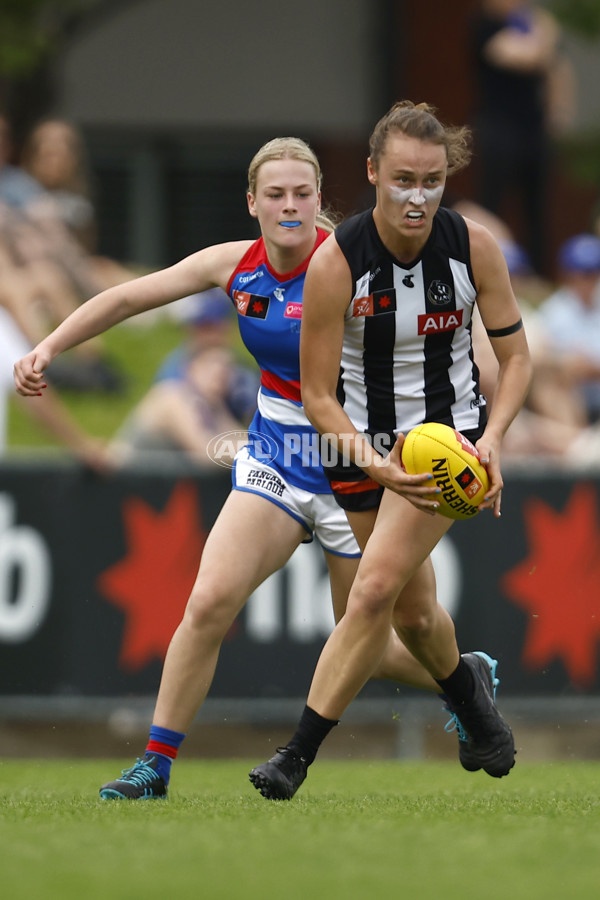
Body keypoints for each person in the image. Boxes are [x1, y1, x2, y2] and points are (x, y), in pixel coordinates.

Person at [14, 136, 475, 801]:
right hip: (278, 457)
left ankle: (461, 681)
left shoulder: (355, 262)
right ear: (253, 202)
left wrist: (481, 435)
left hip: (358, 465)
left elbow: (461, 337)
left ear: (321, 200)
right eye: (276, 194)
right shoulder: (235, 265)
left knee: (373, 644)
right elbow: (128, 299)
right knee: (207, 602)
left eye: (303, 193)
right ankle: (155, 766)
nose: (290, 205)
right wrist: (49, 346)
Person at [248, 101, 532, 801]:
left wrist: (491, 441)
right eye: (403, 178)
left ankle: (296, 756)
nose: (417, 196)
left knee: (371, 592)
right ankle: (472, 699)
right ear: (373, 172)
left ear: (447, 178)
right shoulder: (337, 261)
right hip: (359, 447)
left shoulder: (474, 247)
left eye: (432, 180)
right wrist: (374, 465)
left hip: (443, 445)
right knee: (412, 612)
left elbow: (518, 357)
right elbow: (317, 395)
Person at [469, 0, 576, 274]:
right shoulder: (485, 26)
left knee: (537, 207)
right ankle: (485, 271)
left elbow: (556, 67)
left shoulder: (528, 25)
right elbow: (528, 57)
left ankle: (539, 275)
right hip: (497, 127)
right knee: (492, 204)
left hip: (533, 128)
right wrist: (546, 33)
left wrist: (559, 109)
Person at [110, 344, 245, 467]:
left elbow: (240, 437)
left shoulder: (213, 404)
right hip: (117, 481)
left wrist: (257, 448)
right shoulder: (171, 396)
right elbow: (205, 453)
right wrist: (256, 451)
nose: (219, 371)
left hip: (154, 485)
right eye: (210, 364)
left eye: (226, 367)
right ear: (191, 369)